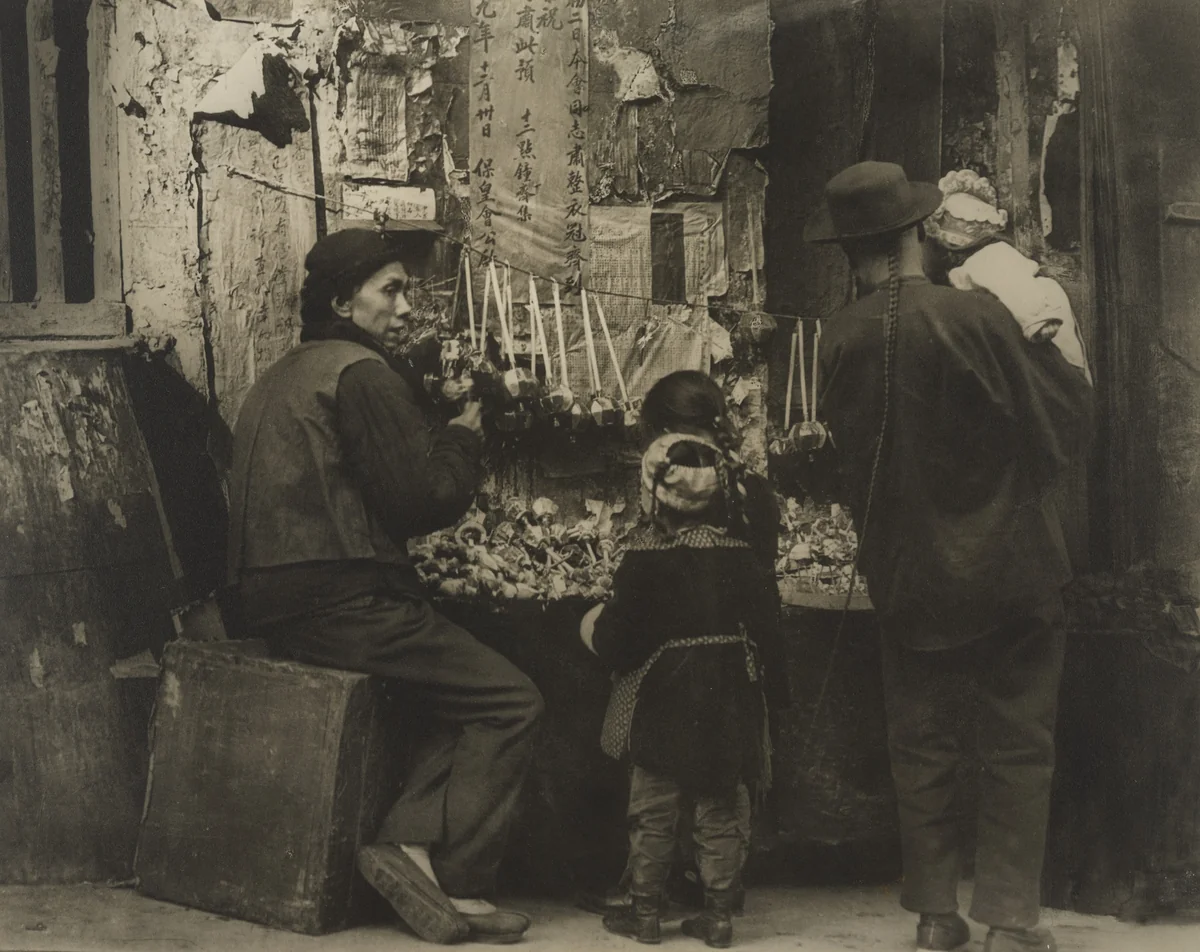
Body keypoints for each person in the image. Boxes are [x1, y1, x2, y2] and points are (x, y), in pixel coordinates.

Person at [797, 162, 1094, 952]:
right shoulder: (980, 316)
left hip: (908, 571)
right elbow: (1061, 423)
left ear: (850, 250)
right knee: (1018, 742)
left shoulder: (838, 337)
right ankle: (1008, 920)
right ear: (918, 231)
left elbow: (839, 463)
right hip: (1011, 567)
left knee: (921, 743)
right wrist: (1051, 352)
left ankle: (934, 915)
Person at [226, 228, 543, 945]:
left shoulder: (286, 371)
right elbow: (422, 501)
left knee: (450, 690)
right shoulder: (362, 372)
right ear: (345, 301)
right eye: (391, 290)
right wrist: (464, 434)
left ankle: (409, 848)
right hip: (342, 597)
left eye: (409, 290)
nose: (407, 307)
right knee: (512, 700)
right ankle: (458, 883)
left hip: (277, 595)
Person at [577, 371, 784, 919]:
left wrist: (600, 621)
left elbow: (623, 639)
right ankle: (719, 891)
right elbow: (764, 598)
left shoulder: (663, 499)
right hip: (732, 672)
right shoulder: (749, 496)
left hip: (664, 682)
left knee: (654, 787)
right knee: (723, 789)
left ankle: (644, 893)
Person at [924, 168, 1092, 384]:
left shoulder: (992, 257)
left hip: (1043, 327)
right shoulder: (975, 266)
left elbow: (1022, 295)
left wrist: (1038, 320)